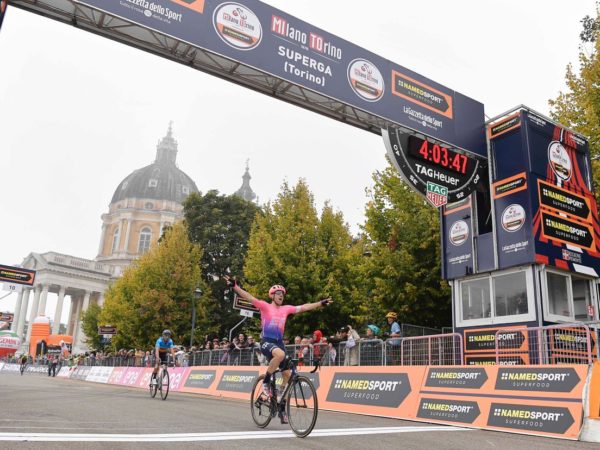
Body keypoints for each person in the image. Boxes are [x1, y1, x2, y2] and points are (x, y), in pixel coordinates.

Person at [225, 276, 332, 424]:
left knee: (288, 374)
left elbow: (304, 307)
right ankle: (265, 382)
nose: (281, 296)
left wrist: (320, 303)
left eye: (282, 294)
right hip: (266, 342)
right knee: (280, 354)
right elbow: (249, 297)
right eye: (278, 294)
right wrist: (235, 286)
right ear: (272, 296)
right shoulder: (264, 306)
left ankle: (281, 403)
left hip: (279, 343)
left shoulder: (286, 309)